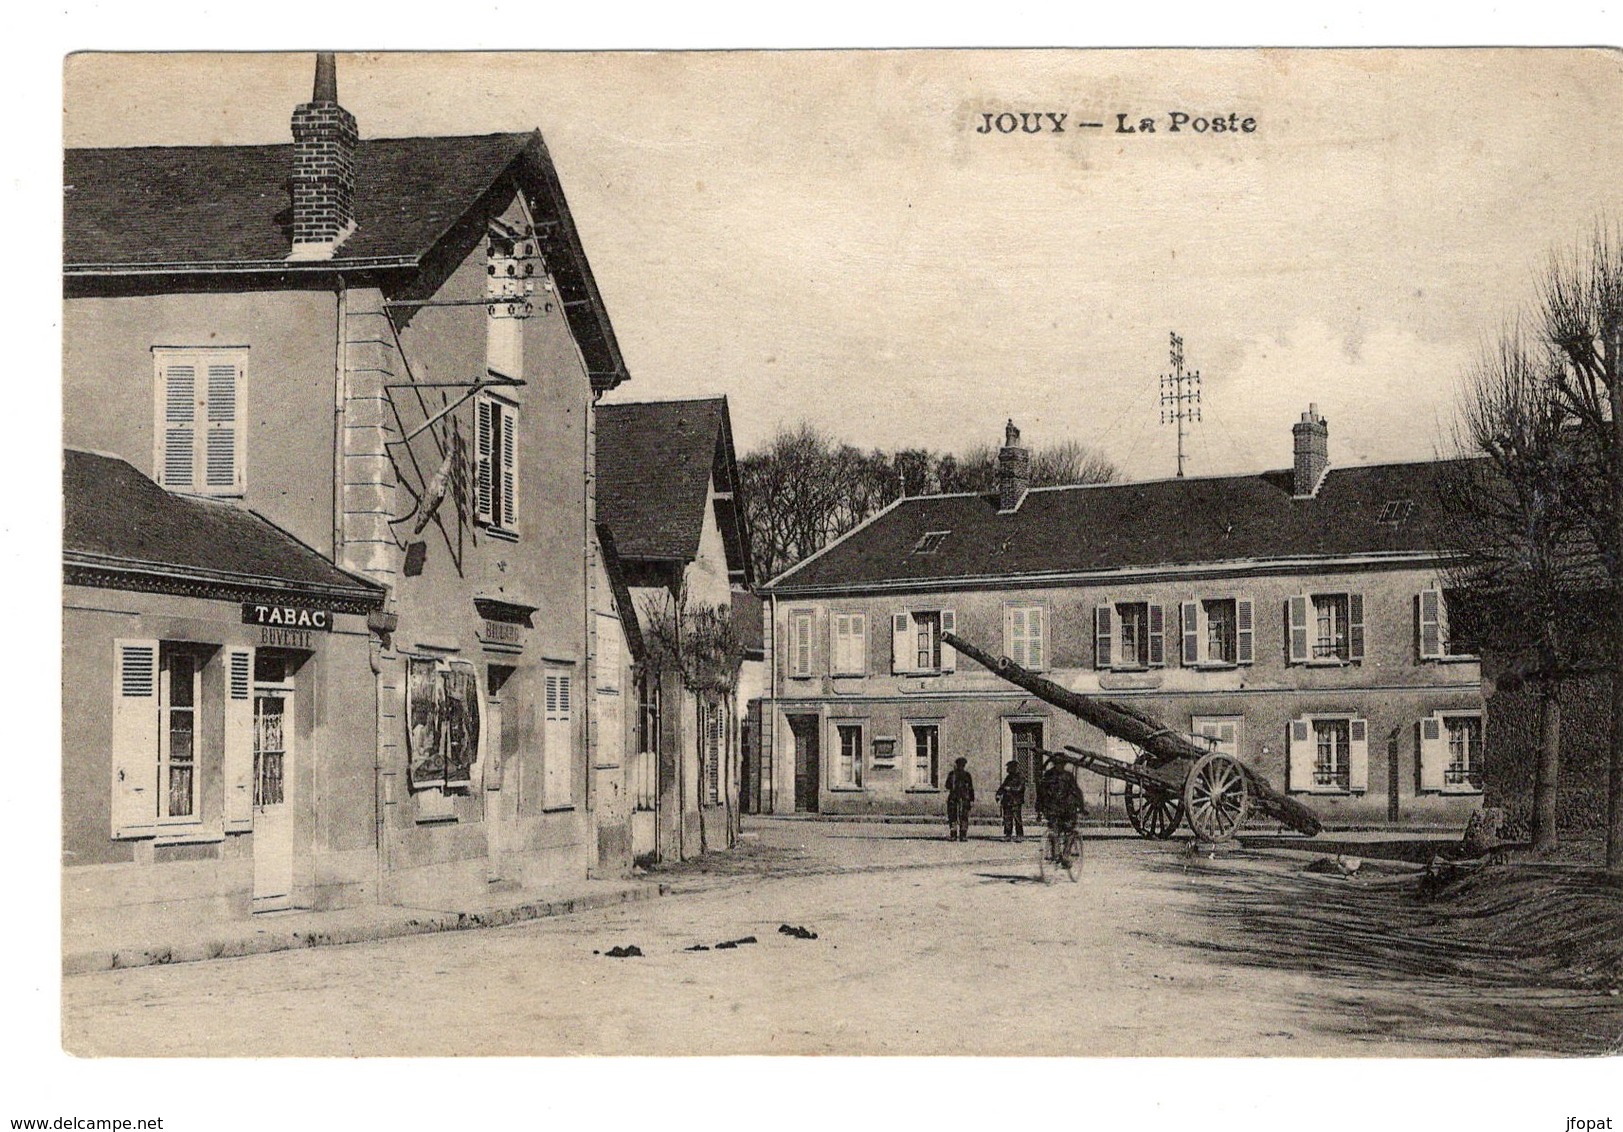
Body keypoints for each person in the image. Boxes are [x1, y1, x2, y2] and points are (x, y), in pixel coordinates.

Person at [1039, 758, 1087, 837]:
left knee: (1069, 828)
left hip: (1065, 808)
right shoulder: (1048, 776)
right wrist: (1039, 809)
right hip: (1052, 808)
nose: (1060, 766)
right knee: (1055, 829)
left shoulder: (1068, 776)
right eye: (1058, 764)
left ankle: (1067, 844)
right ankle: (1055, 846)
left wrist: (1081, 807)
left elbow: (1076, 791)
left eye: (1062, 764)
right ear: (1054, 764)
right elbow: (1042, 792)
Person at [995, 759, 1026, 842]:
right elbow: (1002, 787)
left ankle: (1020, 835)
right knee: (1007, 819)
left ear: (1014, 768)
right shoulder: (1008, 777)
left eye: (1009, 767)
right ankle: (1008, 835)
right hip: (1007, 801)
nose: (1007, 769)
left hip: (1016, 801)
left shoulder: (1020, 777)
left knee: (1017, 819)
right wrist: (998, 794)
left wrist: (1010, 789)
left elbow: (1020, 788)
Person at [944, 757, 975, 841]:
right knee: (958, 816)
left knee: (957, 816)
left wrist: (971, 799)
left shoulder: (953, 774)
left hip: (960, 798)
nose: (961, 767)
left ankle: (957, 835)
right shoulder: (961, 775)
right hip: (959, 798)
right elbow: (947, 785)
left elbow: (947, 786)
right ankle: (960, 835)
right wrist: (972, 799)